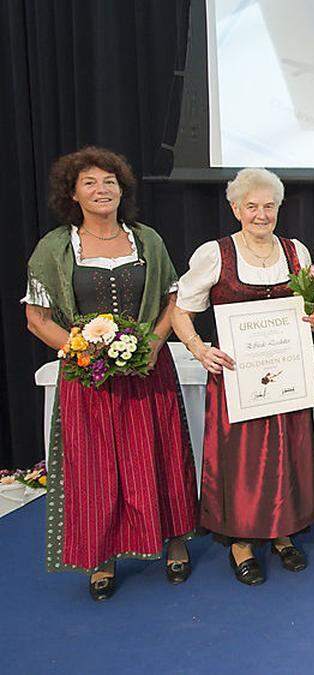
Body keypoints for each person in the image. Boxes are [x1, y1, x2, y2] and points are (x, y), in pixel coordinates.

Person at [25, 146, 198, 601]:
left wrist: (153, 344)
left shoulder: (148, 240)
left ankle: (174, 536)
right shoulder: (56, 248)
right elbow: (38, 318)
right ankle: (101, 555)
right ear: (73, 193)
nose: (102, 190)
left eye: (110, 182)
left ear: (122, 190)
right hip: (86, 376)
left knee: (158, 454)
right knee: (95, 467)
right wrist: (83, 349)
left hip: (147, 370)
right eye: (90, 183)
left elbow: (171, 301)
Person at [172, 168, 314, 586]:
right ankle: (240, 541)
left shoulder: (296, 251)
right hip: (237, 379)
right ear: (236, 209)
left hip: (284, 375)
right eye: (252, 206)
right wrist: (200, 349)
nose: (261, 214)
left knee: (287, 454)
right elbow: (181, 312)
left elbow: (310, 308)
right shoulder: (214, 253)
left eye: (269, 206)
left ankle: (282, 533)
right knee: (241, 462)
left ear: (278, 208)